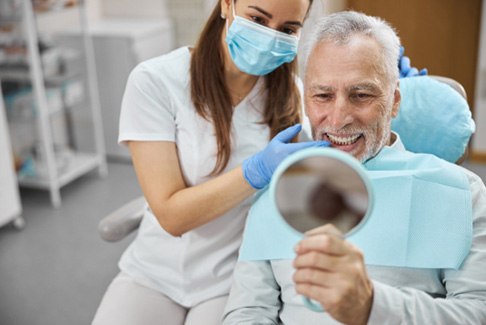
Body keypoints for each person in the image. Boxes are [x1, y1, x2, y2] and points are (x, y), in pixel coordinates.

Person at [222, 11, 486, 325]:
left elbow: (477, 312)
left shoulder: (461, 193)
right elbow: (248, 311)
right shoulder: (276, 191)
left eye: (361, 95)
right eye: (322, 95)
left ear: (395, 101)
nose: (338, 118)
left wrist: (372, 306)